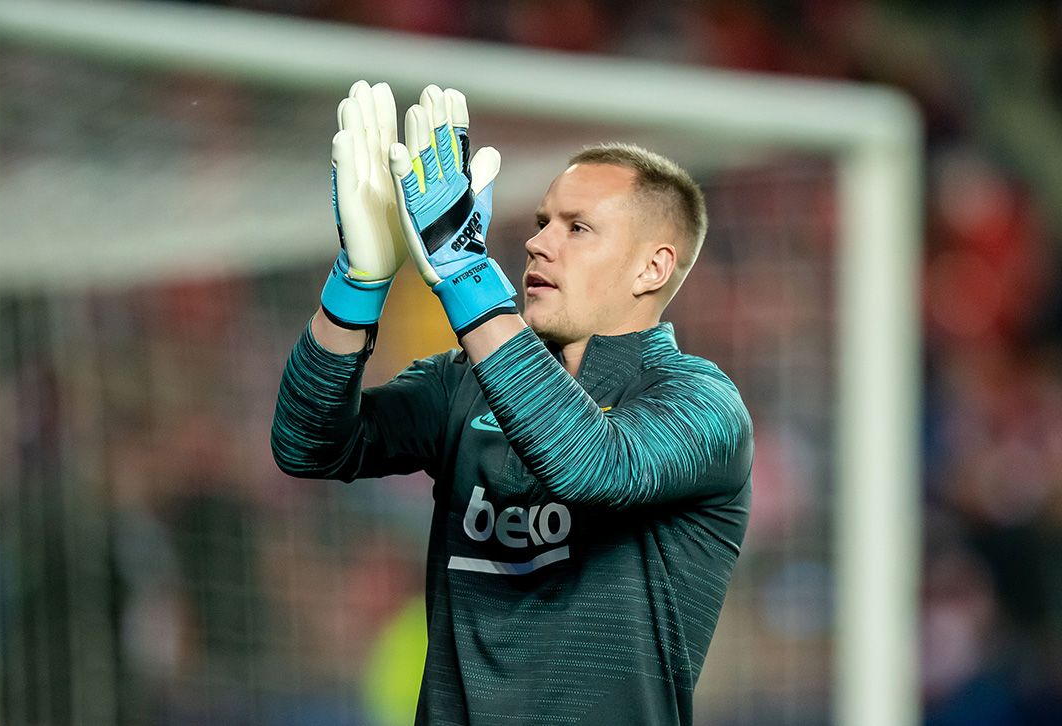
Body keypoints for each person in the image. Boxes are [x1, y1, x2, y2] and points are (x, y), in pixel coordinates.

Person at [271, 80, 753, 726]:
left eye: (577, 228)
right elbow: (307, 445)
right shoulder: (462, 383)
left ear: (652, 268)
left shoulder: (703, 404)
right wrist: (358, 284)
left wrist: (464, 271)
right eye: (541, 222)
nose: (537, 242)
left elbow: (594, 465)